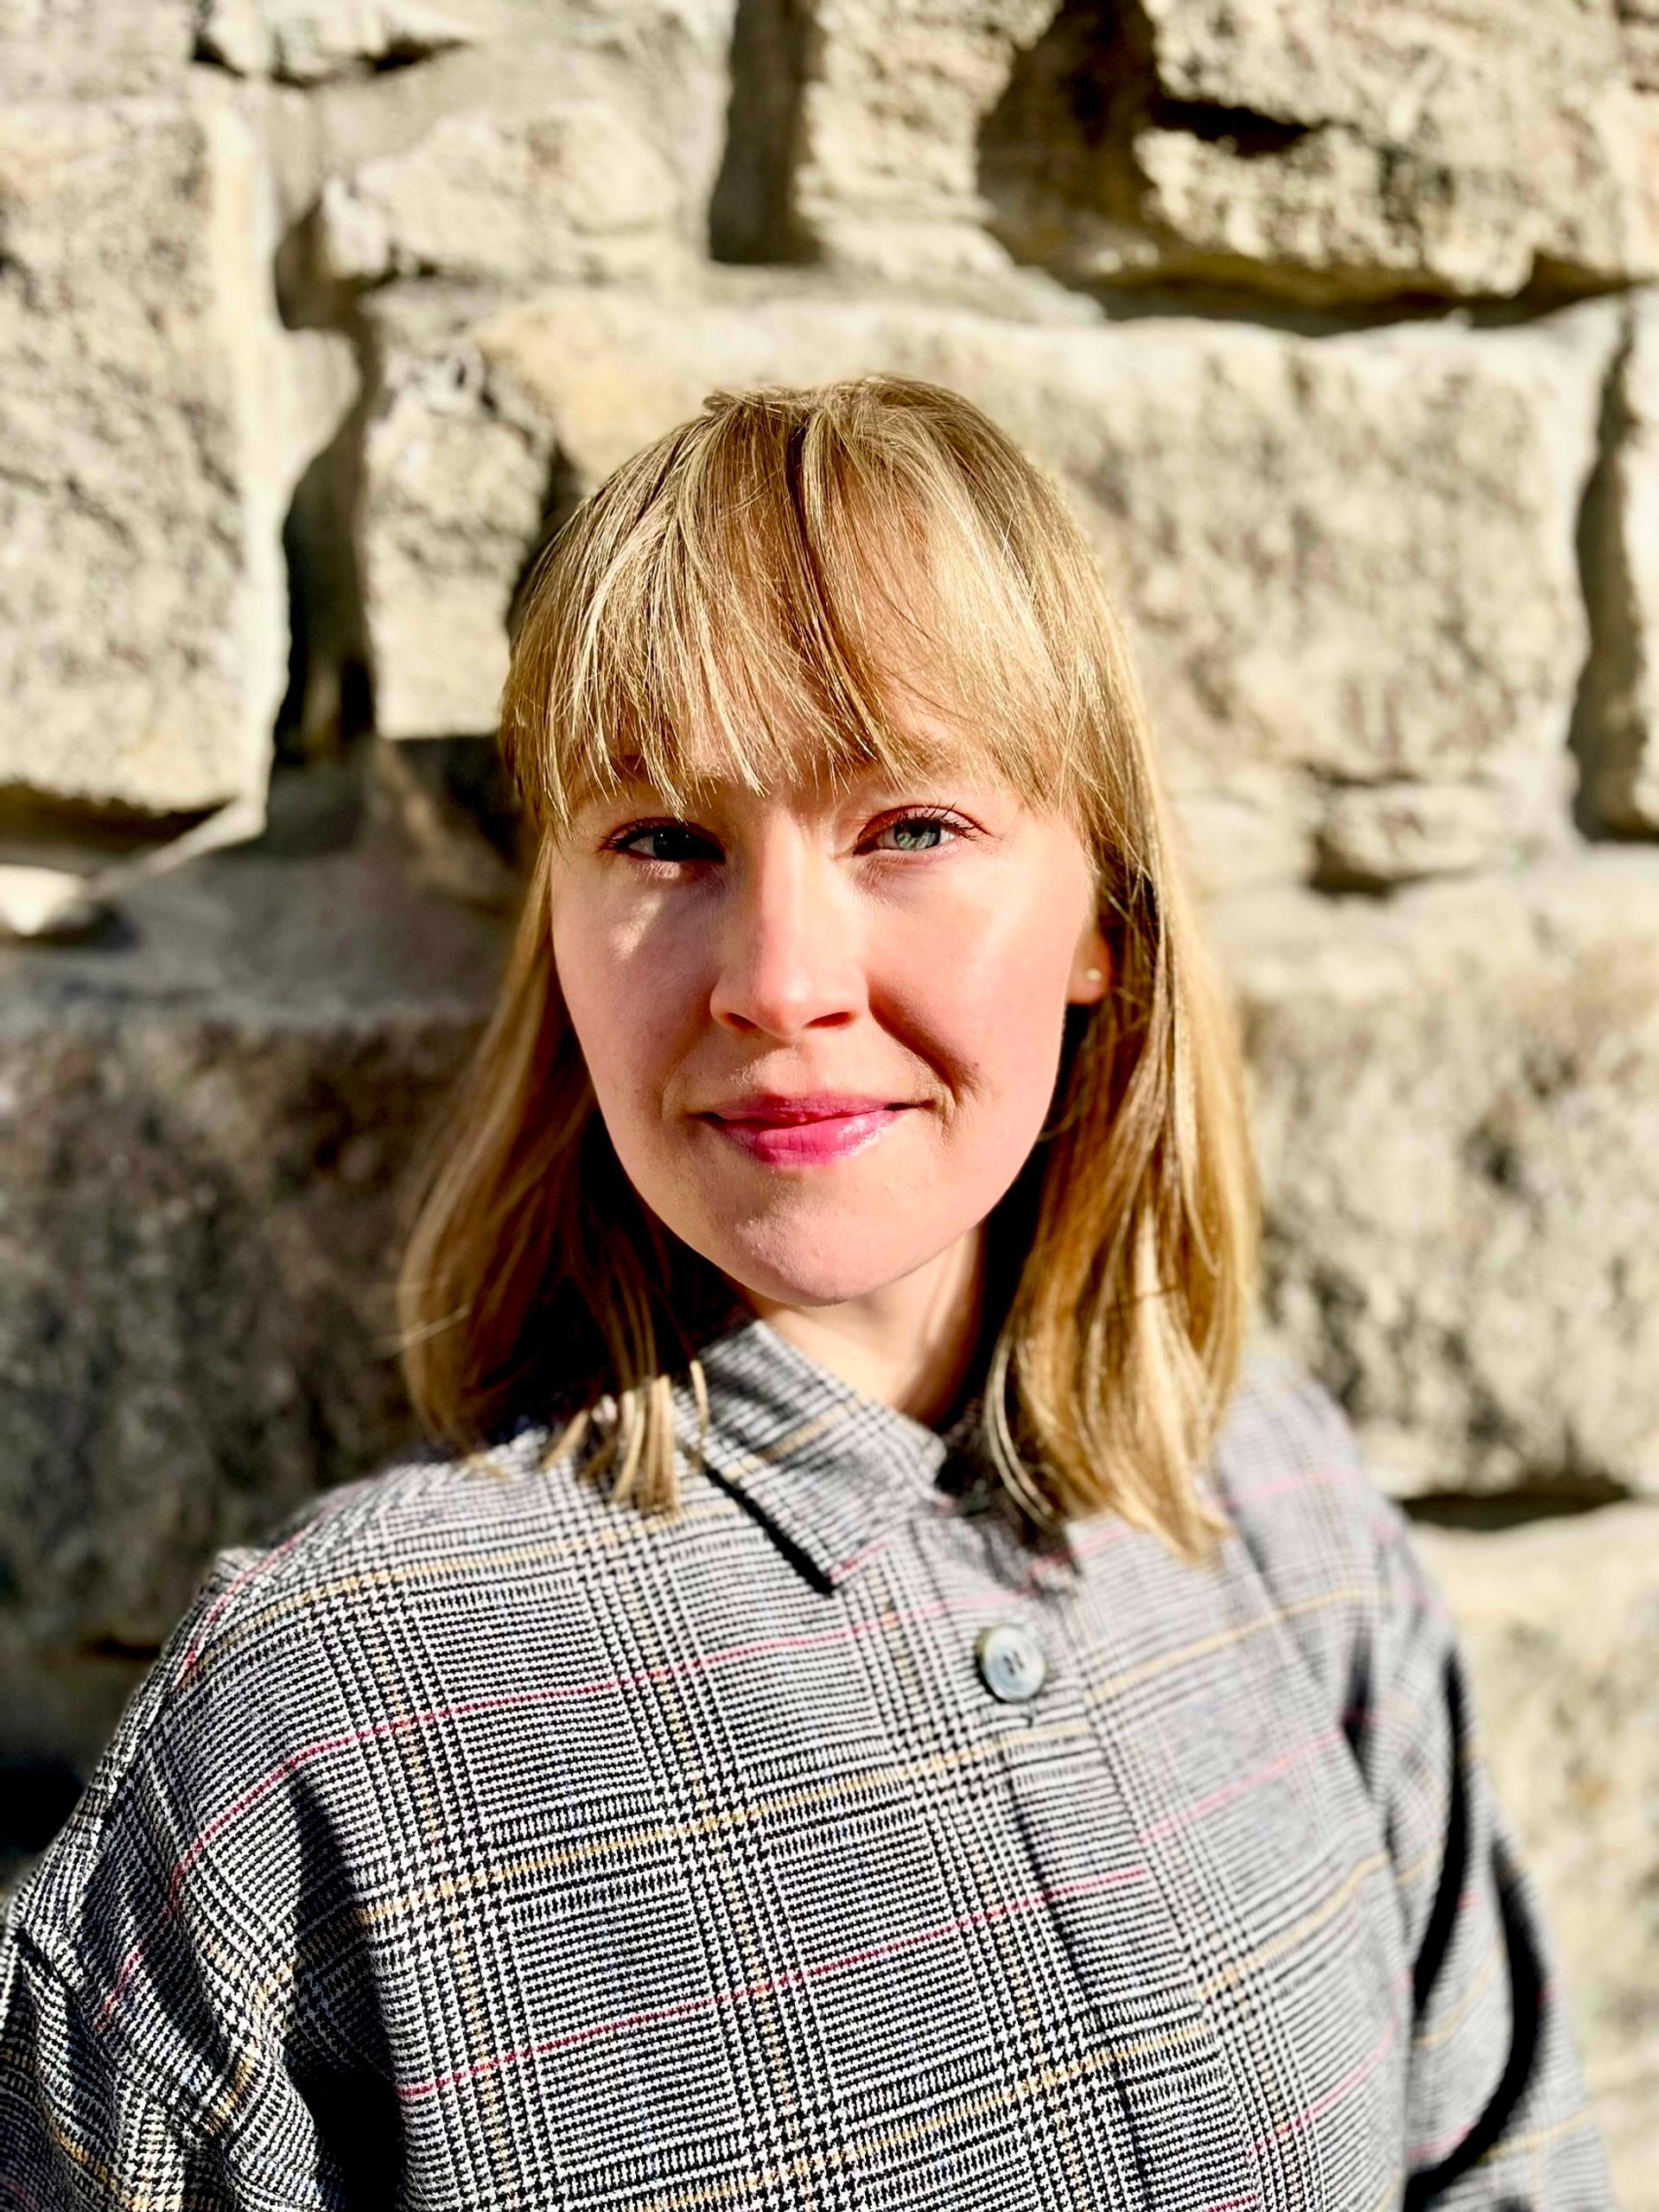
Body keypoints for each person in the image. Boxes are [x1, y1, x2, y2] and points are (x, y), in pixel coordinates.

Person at [0, 376, 1612, 2209]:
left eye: (908, 825)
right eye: (665, 841)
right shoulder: (329, 1715)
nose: (776, 976)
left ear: (1101, 912)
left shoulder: (1278, 1500)